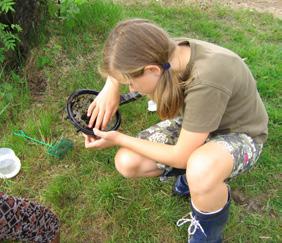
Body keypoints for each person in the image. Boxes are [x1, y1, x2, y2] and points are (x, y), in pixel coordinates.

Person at [83, 19, 268, 242]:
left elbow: (180, 157)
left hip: (240, 133)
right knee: (128, 161)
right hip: (197, 125)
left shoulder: (208, 78)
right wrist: (111, 86)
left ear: (151, 70)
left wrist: (118, 138)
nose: (130, 89)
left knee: (200, 168)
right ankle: (194, 179)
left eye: (130, 83)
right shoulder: (163, 51)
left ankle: (207, 233)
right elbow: (126, 42)